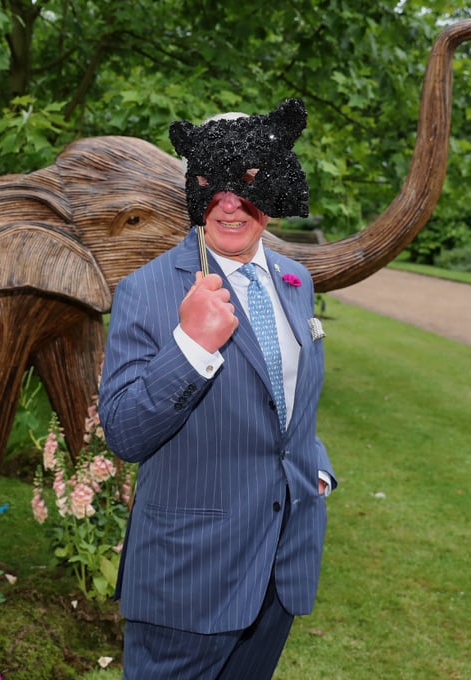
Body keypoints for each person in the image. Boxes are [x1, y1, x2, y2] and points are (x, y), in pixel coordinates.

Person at [98, 99, 335, 679]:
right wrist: (192, 346)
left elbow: (287, 400)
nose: (230, 203)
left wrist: (316, 467)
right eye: (212, 184)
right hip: (191, 578)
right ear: (193, 189)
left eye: (250, 182)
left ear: (275, 193)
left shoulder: (294, 279)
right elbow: (124, 432)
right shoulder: (146, 291)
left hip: (281, 561)